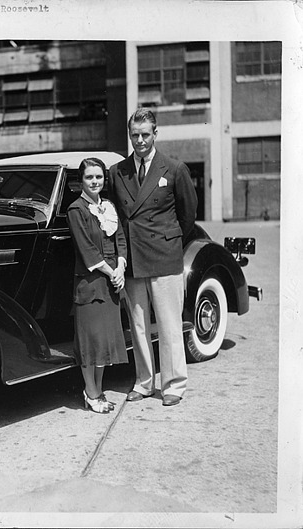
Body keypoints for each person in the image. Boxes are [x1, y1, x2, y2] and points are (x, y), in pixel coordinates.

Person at [109, 108, 198, 407]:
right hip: (132, 259)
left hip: (163, 257)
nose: (140, 141)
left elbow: (187, 216)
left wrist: (168, 242)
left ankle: (173, 384)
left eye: (145, 134)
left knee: (169, 324)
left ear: (155, 134)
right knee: (138, 326)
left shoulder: (174, 169)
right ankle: (145, 382)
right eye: (135, 135)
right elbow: (118, 216)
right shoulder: (117, 172)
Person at [67, 157, 128, 414]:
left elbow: (121, 240)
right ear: (81, 180)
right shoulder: (76, 210)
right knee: (90, 343)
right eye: (90, 177)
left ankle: (98, 390)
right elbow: (87, 250)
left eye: (99, 177)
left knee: (103, 344)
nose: (95, 182)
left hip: (111, 283)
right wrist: (111, 271)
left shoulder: (109, 206)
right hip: (90, 284)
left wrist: (121, 269)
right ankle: (90, 393)